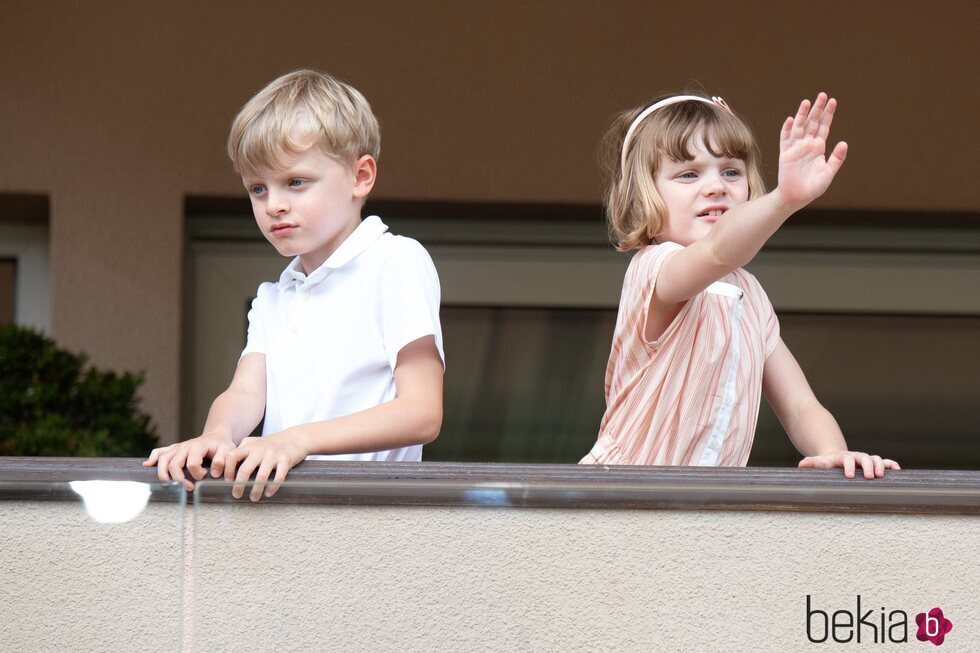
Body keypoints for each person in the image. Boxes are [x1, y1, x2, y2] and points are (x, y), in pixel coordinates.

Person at [145, 70, 444, 500]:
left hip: (370, 523)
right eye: (258, 189)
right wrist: (216, 435)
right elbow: (246, 391)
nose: (275, 205)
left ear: (361, 176)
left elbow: (422, 412)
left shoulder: (395, 261)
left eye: (296, 182)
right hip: (283, 525)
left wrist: (296, 439)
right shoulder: (273, 297)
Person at [580, 92, 899, 478]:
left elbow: (799, 405)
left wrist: (834, 453)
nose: (716, 186)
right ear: (644, 194)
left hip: (705, 509)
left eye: (731, 171)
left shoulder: (751, 297)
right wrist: (785, 199)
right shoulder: (653, 268)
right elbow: (719, 252)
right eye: (688, 174)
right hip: (622, 496)